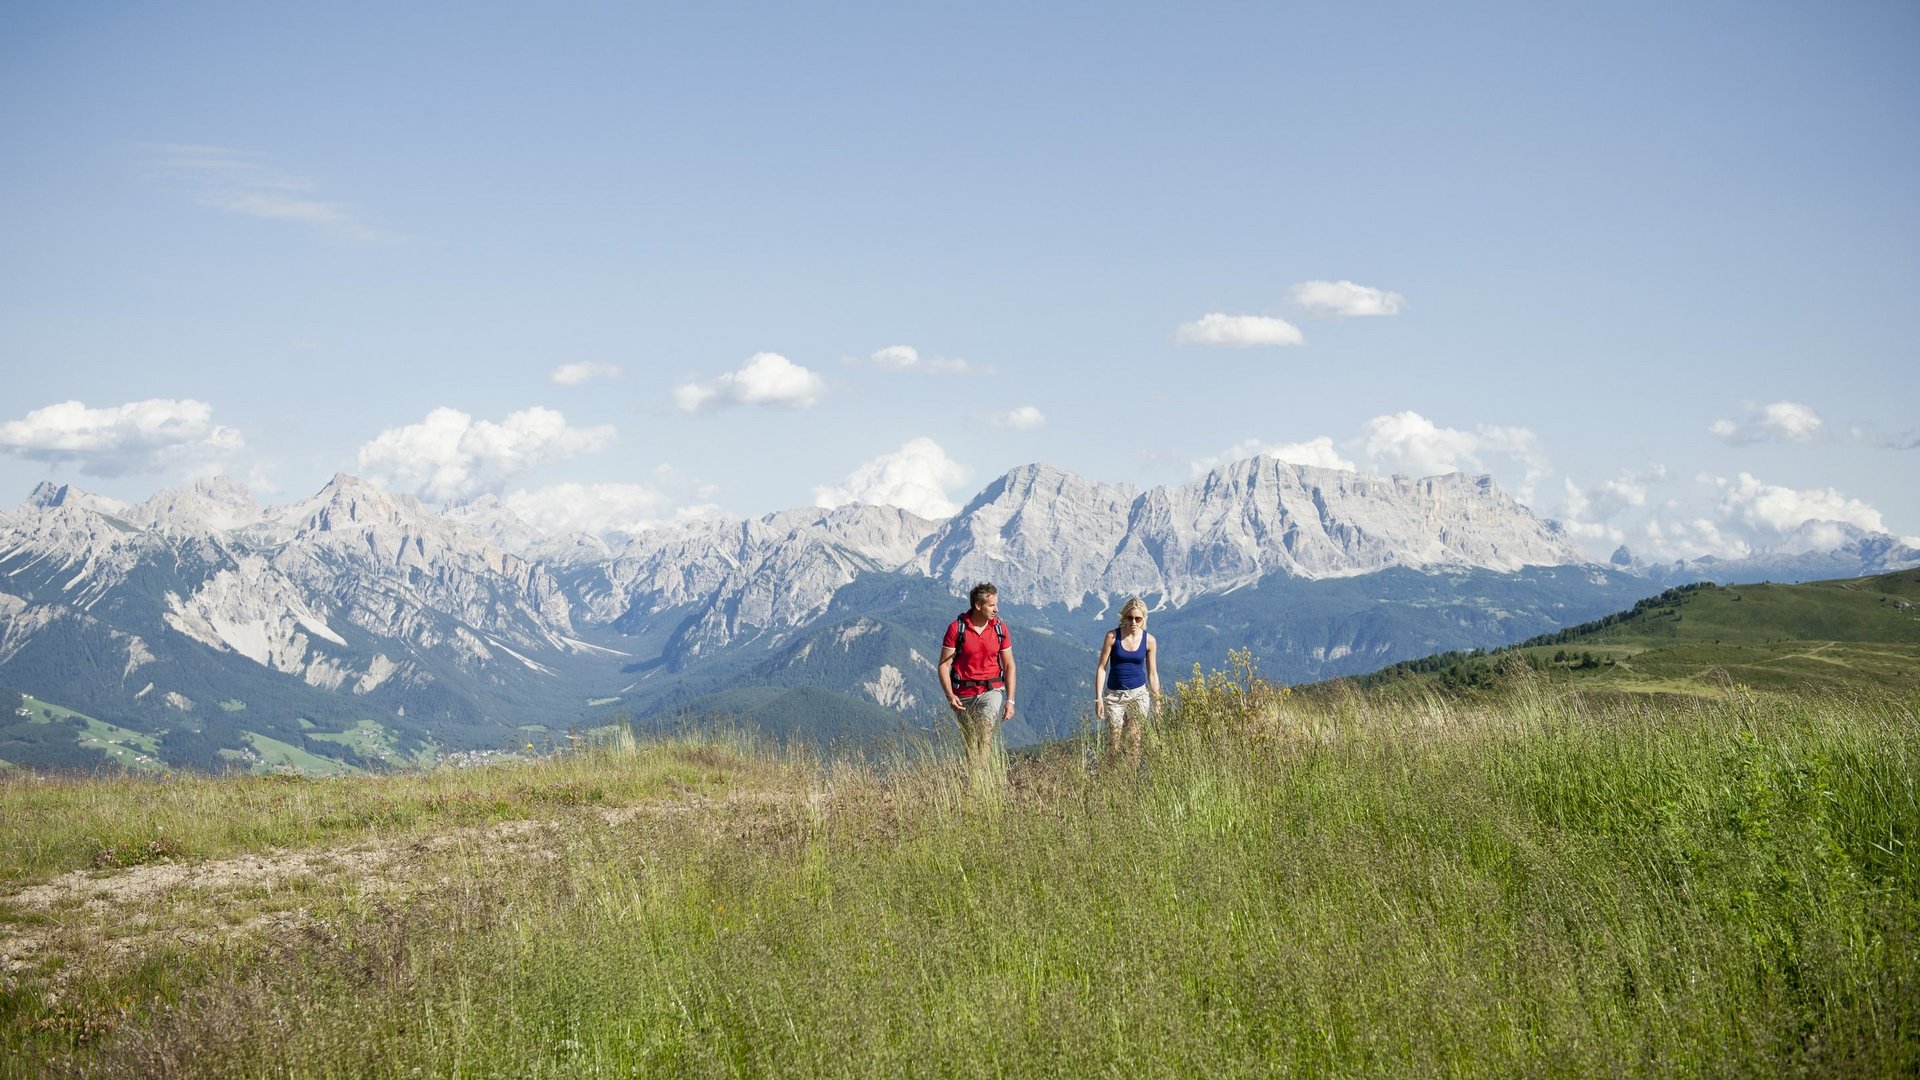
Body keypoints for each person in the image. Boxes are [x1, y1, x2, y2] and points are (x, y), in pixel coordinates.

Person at [937, 582, 1017, 770]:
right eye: (992, 605)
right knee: (971, 740)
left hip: (991, 690)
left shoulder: (1000, 628)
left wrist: (1010, 700)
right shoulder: (957, 629)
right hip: (963, 694)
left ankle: (982, 775)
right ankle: (974, 776)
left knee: (985, 732)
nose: (996, 609)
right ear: (978, 606)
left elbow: (1009, 665)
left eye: (997, 605)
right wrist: (950, 696)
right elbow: (944, 666)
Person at [1094, 597, 1160, 761]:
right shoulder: (1112, 637)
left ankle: (1132, 773)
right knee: (1114, 741)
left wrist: (1157, 702)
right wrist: (1098, 698)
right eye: (1130, 618)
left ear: (1143, 619)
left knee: (1134, 740)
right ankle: (1112, 772)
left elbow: (1152, 673)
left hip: (1138, 695)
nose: (1133, 622)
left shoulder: (1149, 641)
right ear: (1124, 617)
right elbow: (1102, 668)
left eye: (1138, 618)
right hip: (1114, 696)